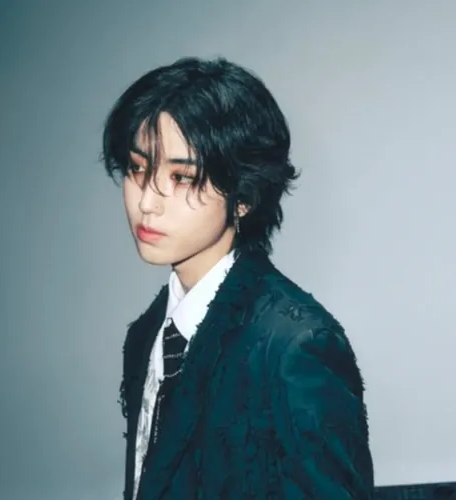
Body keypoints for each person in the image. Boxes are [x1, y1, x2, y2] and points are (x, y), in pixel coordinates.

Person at [102, 57, 374, 499]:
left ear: (244, 195)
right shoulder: (146, 336)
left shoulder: (296, 345)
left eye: (181, 177)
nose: (147, 202)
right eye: (137, 169)